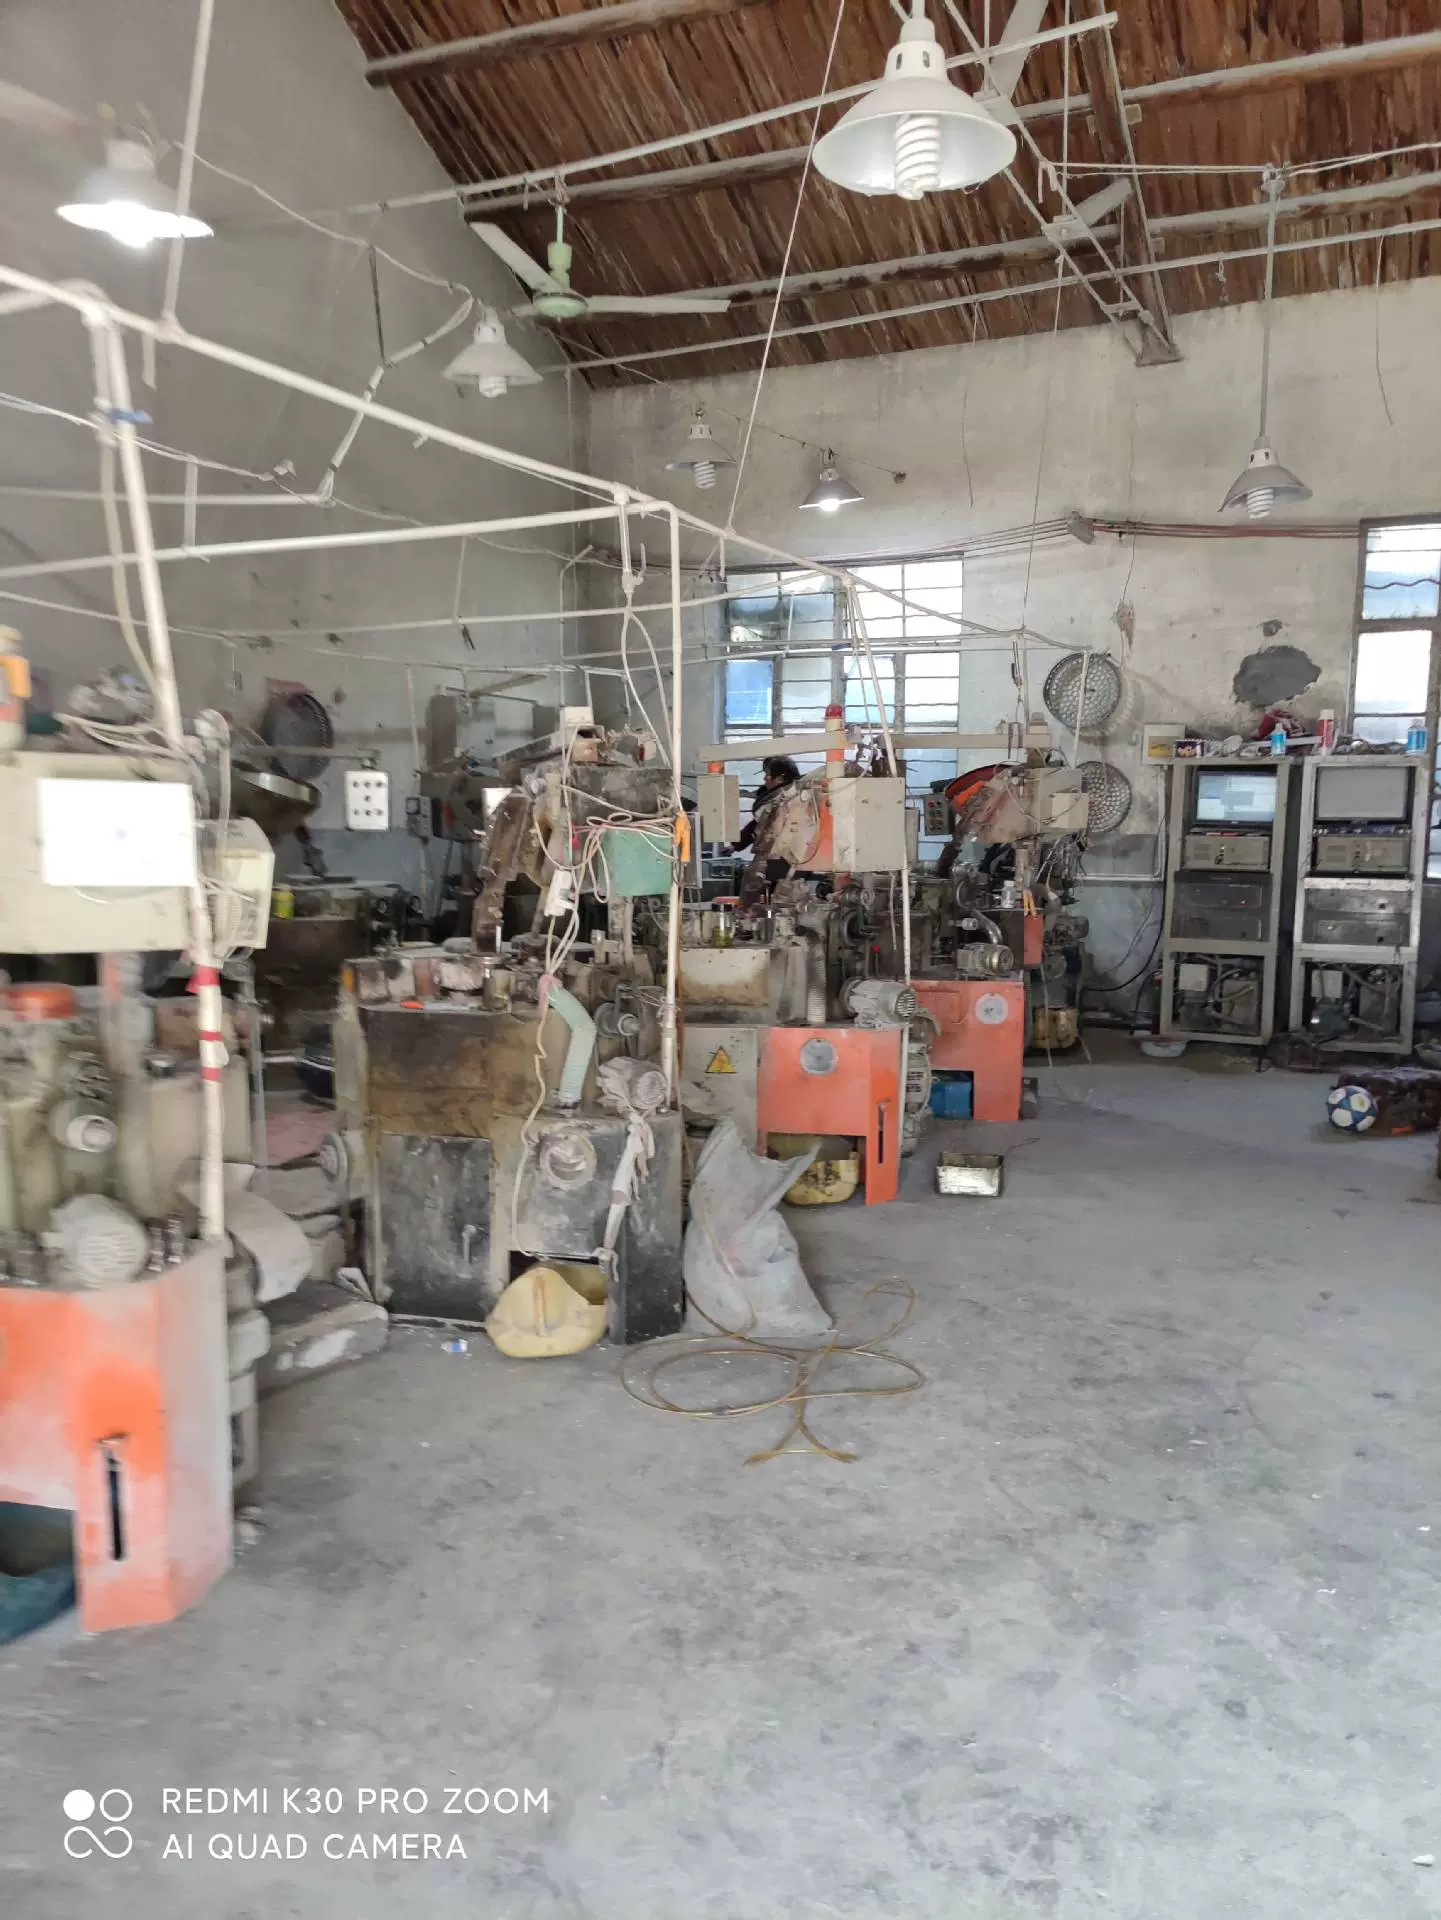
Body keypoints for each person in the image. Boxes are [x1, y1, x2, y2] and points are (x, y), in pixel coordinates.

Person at [735, 755, 801, 901]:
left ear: (780, 778)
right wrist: (735, 845)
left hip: (786, 858)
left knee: (755, 886)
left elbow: (760, 827)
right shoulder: (772, 802)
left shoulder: (792, 802)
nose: (765, 778)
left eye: (767, 774)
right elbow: (757, 826)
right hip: (783, 859)